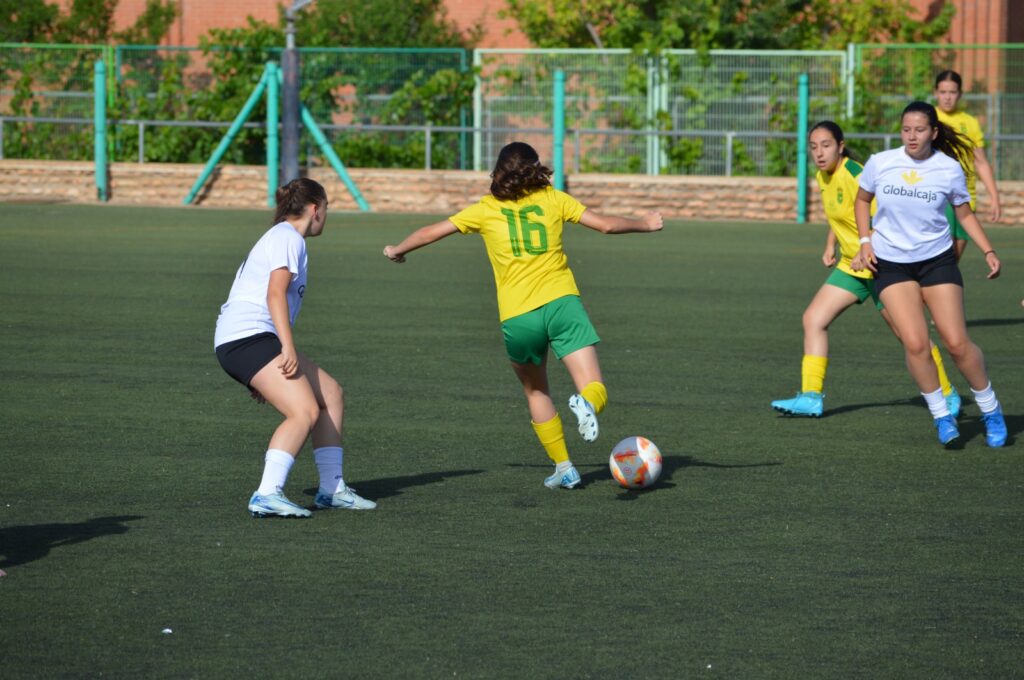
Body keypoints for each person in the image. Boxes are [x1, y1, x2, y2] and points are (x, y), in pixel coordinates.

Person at [382, 141, 663, 489]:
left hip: (519, 317)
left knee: (536, 391)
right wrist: (645, 223)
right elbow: (605, 225)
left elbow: (431, 232)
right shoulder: (554, 199)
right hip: (562, 304)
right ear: (536, 168)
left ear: (499, 172)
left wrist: (397, 250)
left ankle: (564, 467)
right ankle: (586, 403)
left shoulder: (485, 209)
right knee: (594, 385)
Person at [771, 121, 960, 418]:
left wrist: (865, 248)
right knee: (813, 319)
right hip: (851, 265)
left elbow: (882, 216)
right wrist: (830, 244)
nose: (819, 153)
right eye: (814, 147)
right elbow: (841, 215)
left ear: (841, 146)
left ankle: (947, 393)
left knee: (909, 336)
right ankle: (810, 396)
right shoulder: (822, 175)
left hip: (880, 266)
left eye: (826, 145)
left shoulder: (855, 173)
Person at [214, 178, 376, 517]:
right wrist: (286, 348)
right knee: (304, 411)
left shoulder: (285, 237)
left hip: (250, 339)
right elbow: (274, 294)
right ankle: (266, 493)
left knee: (331, 394)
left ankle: (332, 489)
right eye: (327, 208)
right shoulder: (289, 238)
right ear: (315, 209)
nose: (326, 216)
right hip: (248, 338)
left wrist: (265, 370)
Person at [851, 101, 1007, 447]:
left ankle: (990, 409)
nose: (911, 136)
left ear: (933, 132)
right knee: (916, 343)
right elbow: (862, 200)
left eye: (919, 130)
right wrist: (865, 241)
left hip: (937, 261)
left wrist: (988, 250)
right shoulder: (881, 162)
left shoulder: (948, 168)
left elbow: (964, 214)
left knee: (956, 343)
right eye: (906, 129)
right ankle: (941, 416)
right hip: (891, 263)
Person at [933, 70, 1002, 259]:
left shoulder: (970, 122)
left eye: (952, 92)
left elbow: (980, 162)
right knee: (942, 259)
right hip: (937, 196)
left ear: (960, 94)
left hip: (964, 198)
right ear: (935, 93)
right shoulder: (929, 118)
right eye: (943, 92)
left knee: (953, 260)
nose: (947, 97)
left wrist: (994, 197)